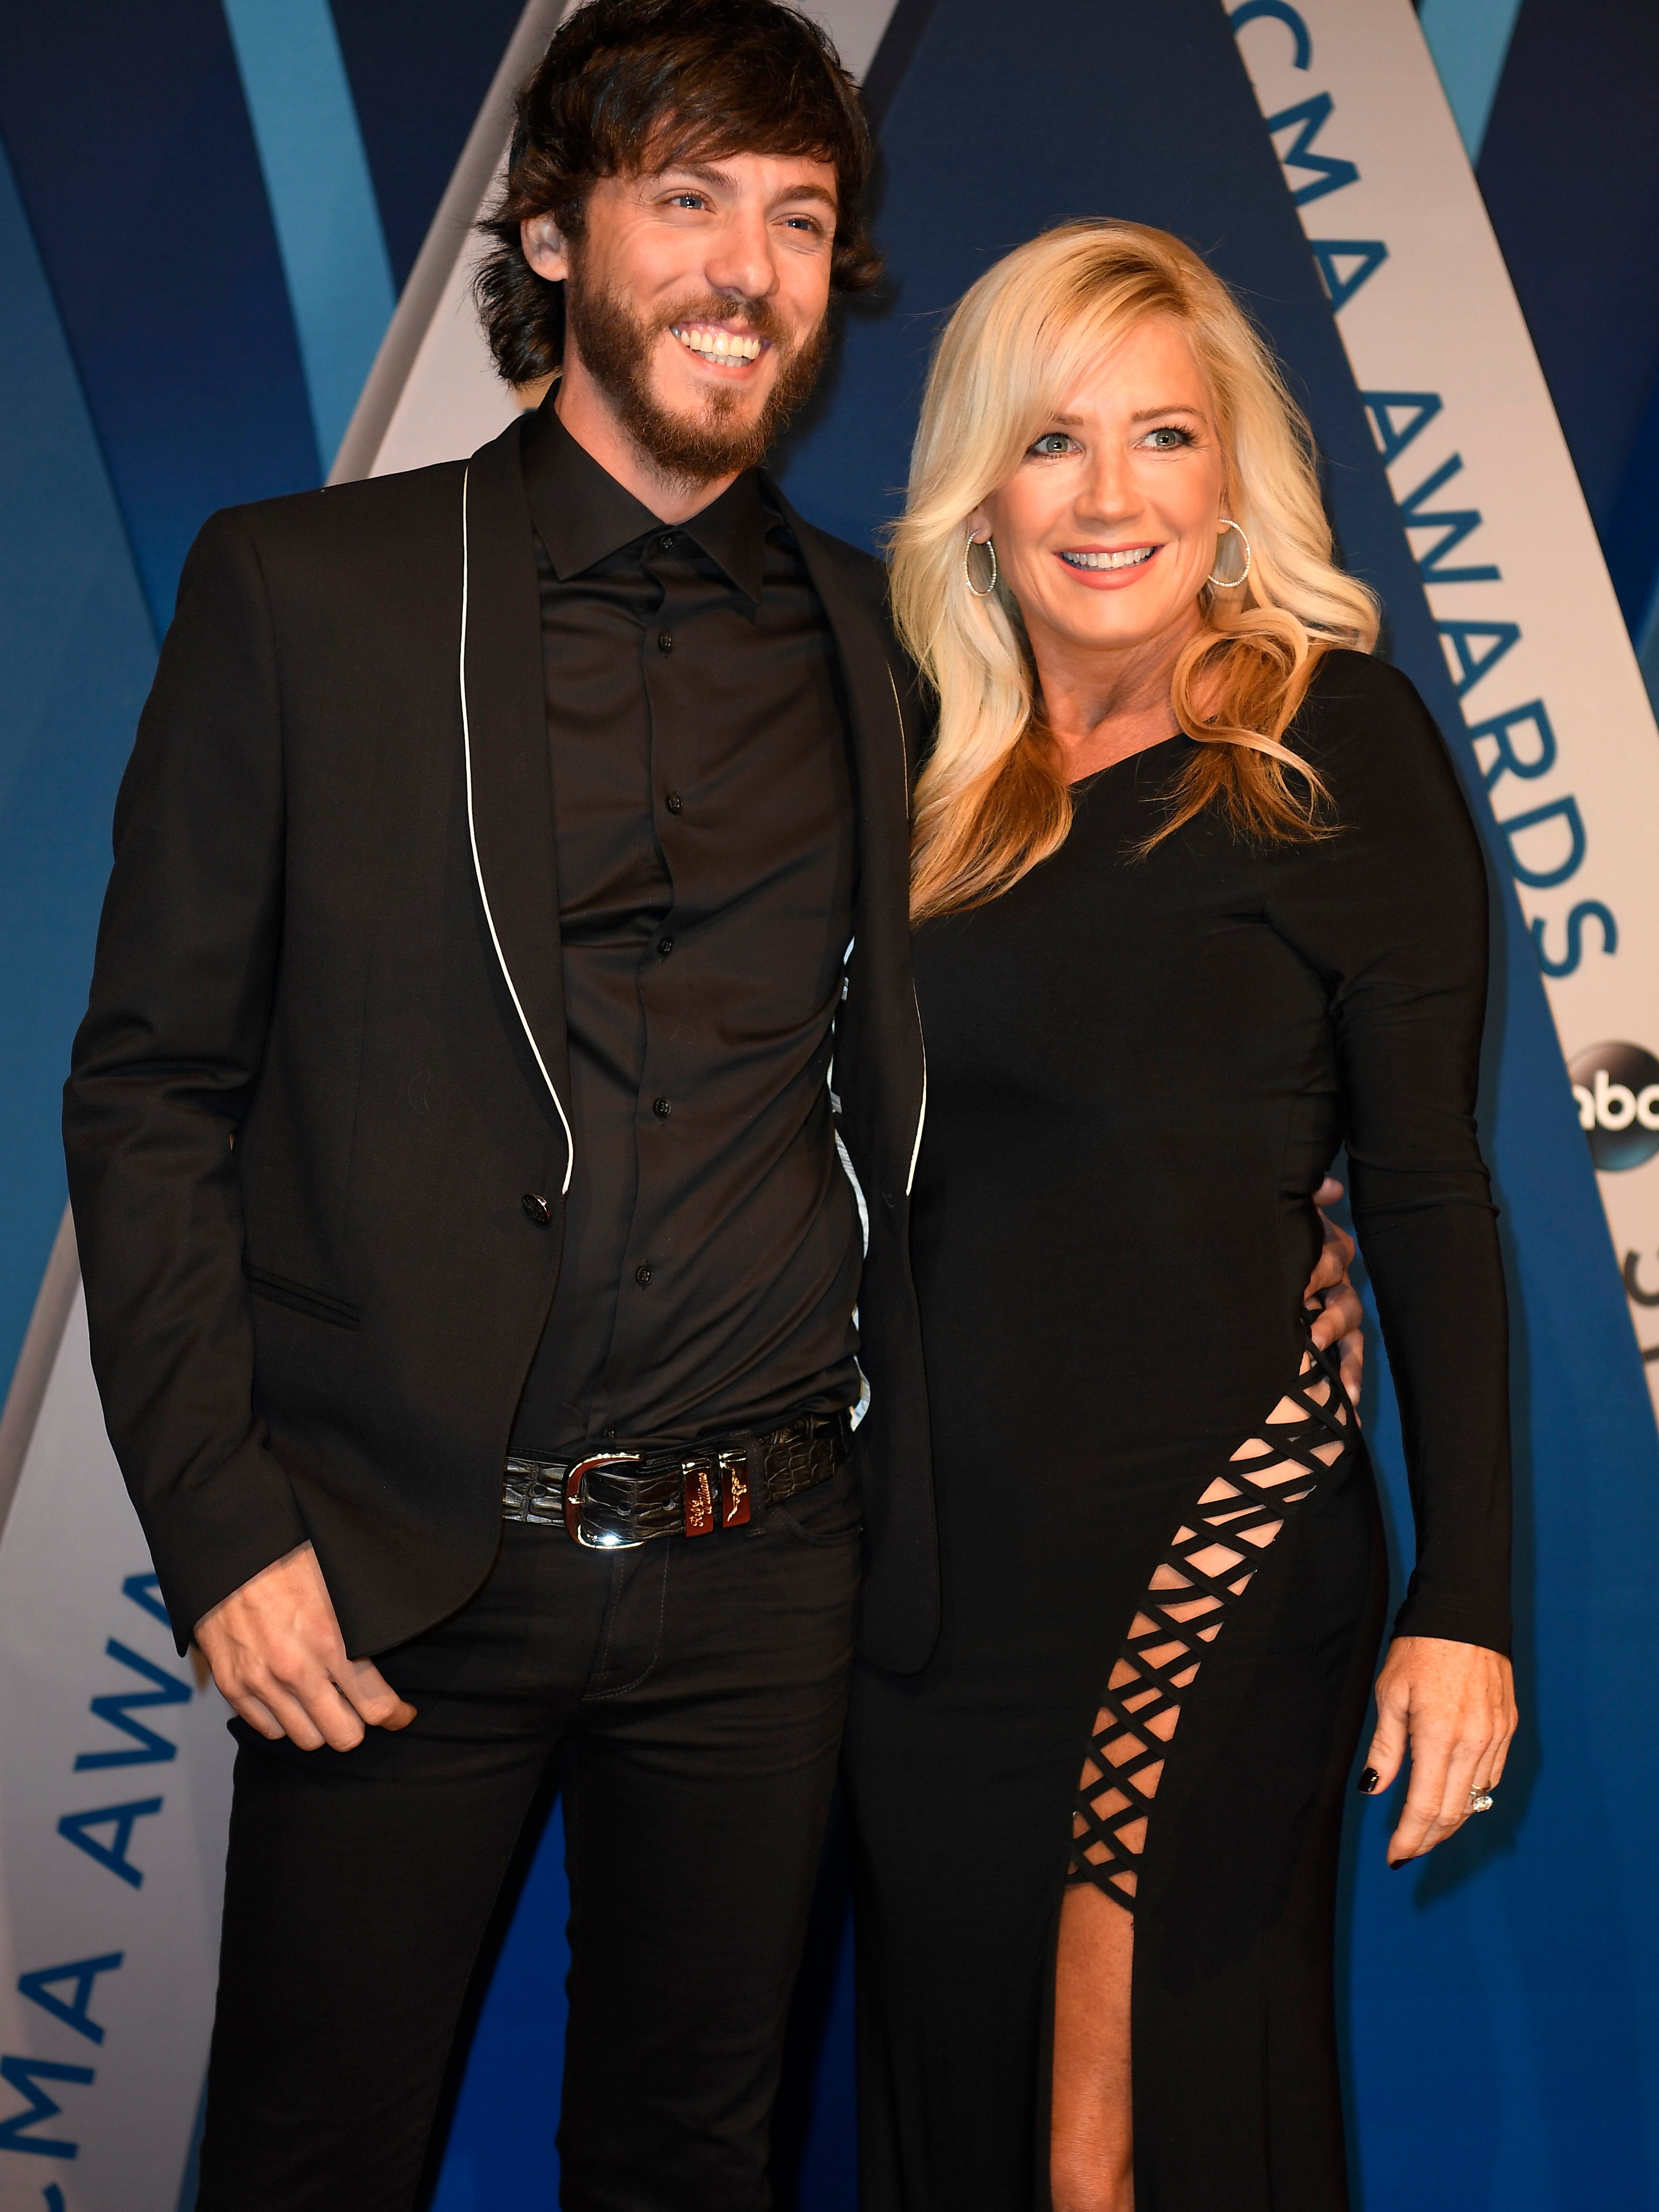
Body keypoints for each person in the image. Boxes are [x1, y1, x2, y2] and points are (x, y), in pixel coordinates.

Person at [61, 3, 1361, 2198]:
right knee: (313, 2149)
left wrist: (1269, 1196)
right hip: (400, 1567)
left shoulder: (907, 654)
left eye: (797, 216)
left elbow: (1109, 965)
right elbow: (151, 1086)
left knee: (700, 2155)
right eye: (688, 201)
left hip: (778, 1583)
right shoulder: (308, 594)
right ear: (560, 234)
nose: (746, 268)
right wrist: (224, 1525)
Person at [843, 221, 1517, 2212]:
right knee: (958, 2113)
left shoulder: (1335, 740)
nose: (1113, 496)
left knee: (1105, 2139)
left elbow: (1424, 1190)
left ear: (1234, 475)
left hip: (1210, 1541)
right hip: (928, 1586)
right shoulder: (905, 767)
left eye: (1164, 436)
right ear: (984, 484)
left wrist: (1466, 1597)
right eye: (1056, 443)